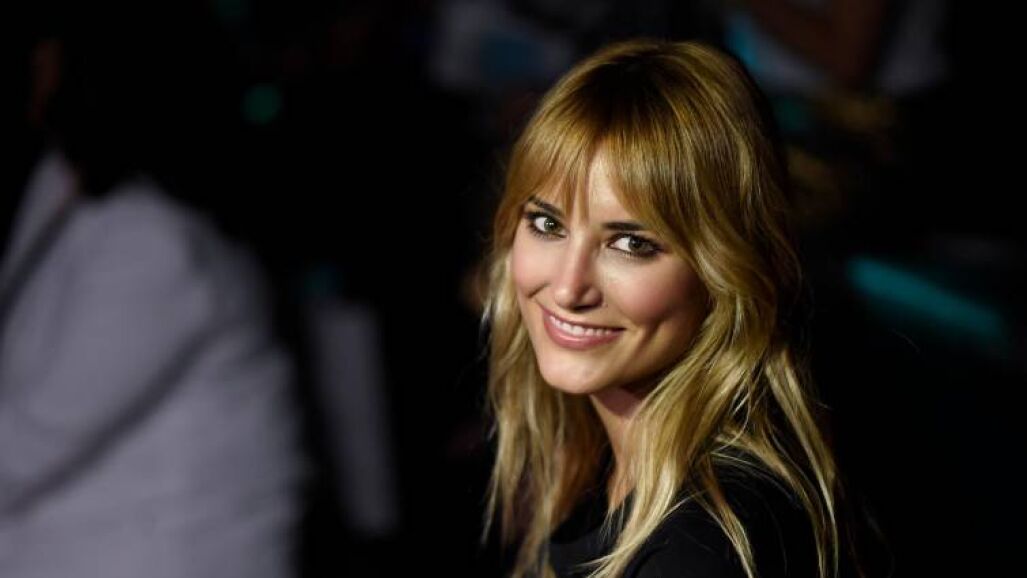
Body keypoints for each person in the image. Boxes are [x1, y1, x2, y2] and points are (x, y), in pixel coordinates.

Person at [483, 40, 858, 578]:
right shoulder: (604, 472)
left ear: (724, 267)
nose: (567, 289)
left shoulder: (701, 548)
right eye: (548, 224)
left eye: (631, 244)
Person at [0, 5, 306, 578]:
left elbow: (25, 444)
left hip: (161, 553)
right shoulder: (67, 185)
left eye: (49, 50)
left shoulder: (154, 244)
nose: (34, 63)